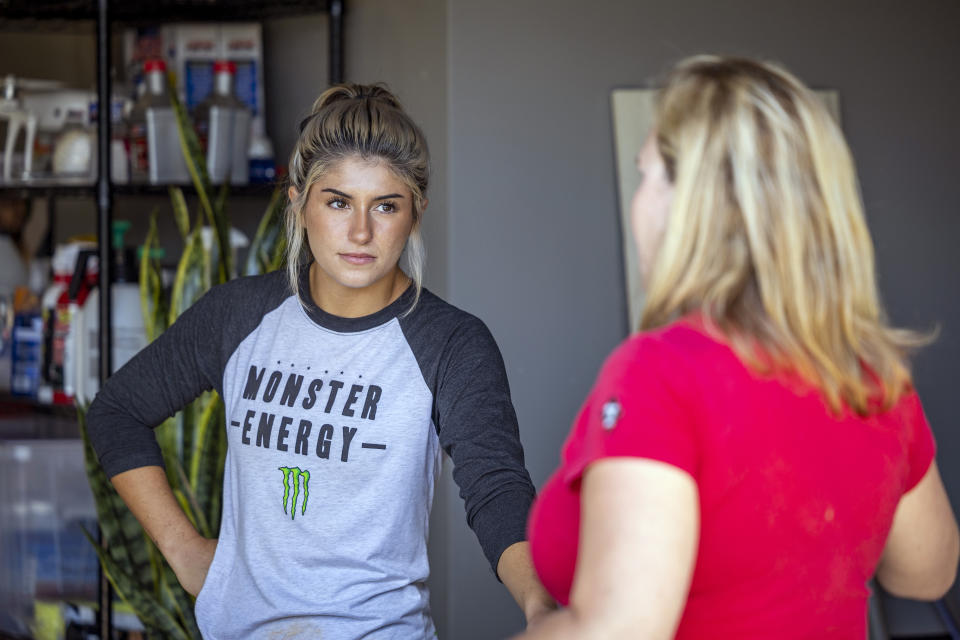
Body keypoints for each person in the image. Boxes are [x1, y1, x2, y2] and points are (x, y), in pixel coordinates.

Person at [87, 83, 554, 638]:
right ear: (299, 202)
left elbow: (496, 487)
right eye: (338, 202)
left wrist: (541, 606)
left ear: (416, 213)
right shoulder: (238, 316)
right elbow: (117, 410)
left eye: (386, 205)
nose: (361, 232)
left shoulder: (451, 343)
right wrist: (182, 548)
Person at [520, 56, 959, 639]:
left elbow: (618, 632)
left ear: (692, 203)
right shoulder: (871, 378)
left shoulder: (663, 371)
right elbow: (928, 573)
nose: (639, 200)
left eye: (646, 174)